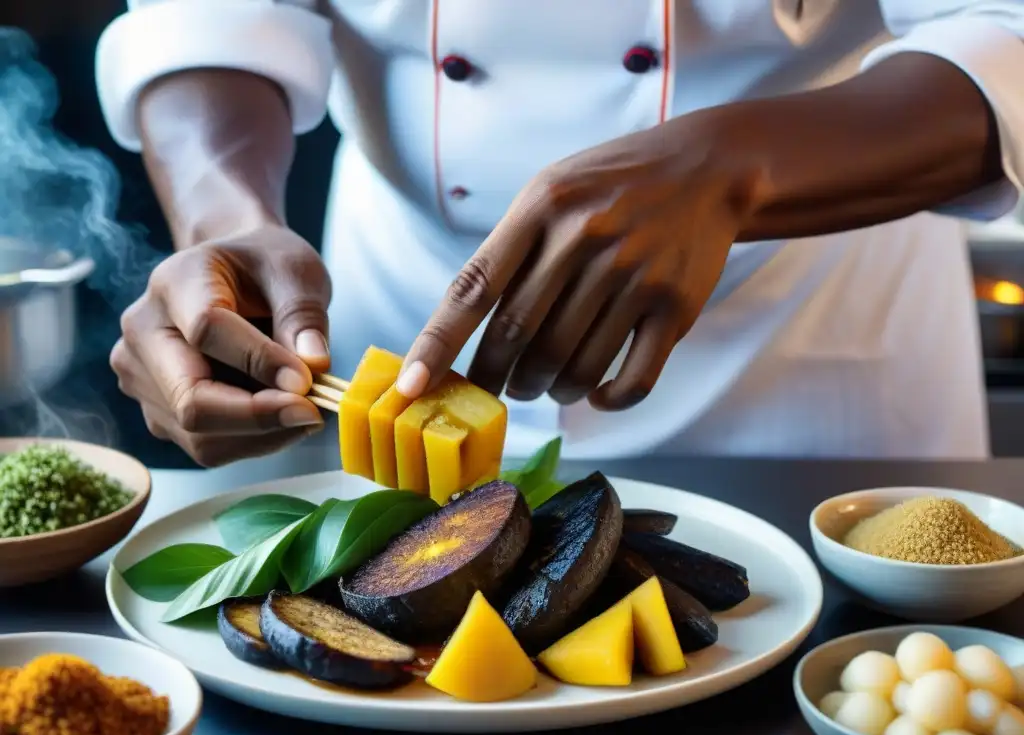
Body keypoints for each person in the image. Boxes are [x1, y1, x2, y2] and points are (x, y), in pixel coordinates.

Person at [95, 1, 1024, 468]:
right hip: (397, 308)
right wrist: (228, 226)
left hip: (801, 335)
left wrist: (740, 170)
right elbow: (208, 15)